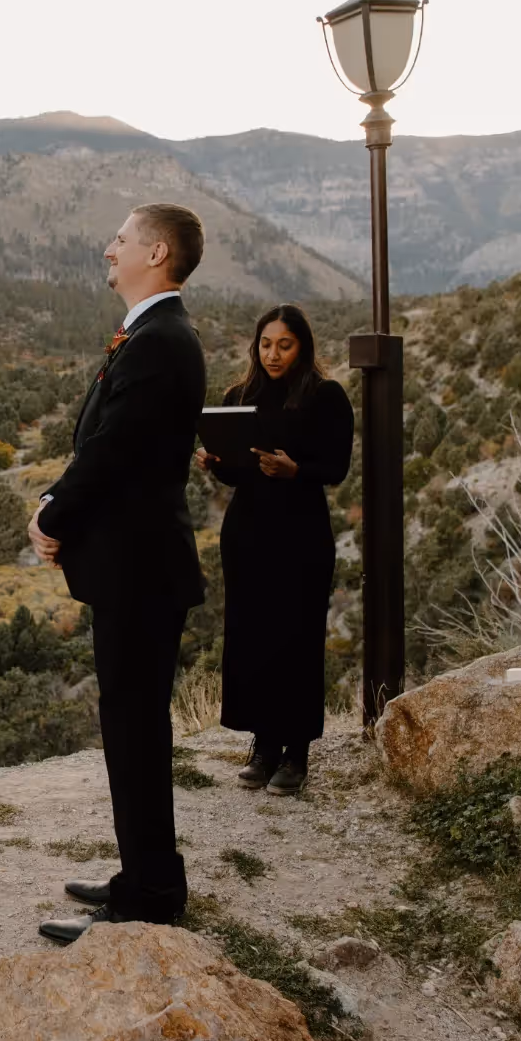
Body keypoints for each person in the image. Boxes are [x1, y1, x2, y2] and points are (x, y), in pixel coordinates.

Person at [27, 204, 208, 944]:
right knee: (131, 727)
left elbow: (112, 450)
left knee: (134, 730)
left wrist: (51, 516)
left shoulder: (162, 341)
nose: (109, 247)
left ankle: (149, 898)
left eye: (123, 238)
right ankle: (145, 876)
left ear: (156, 252)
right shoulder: (151, 335)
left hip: (139, 570)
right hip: (133, 569)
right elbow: (107, 444)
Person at [200, 304, 353, 796]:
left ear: (303, 347)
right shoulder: (238, 397)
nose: (273, 354)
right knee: (253, 637)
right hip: (248, 533)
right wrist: (215, 462)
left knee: (297, 638)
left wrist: (297, 470)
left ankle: (297, 753)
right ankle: (264, 747)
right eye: (266, 344)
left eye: (284, 345)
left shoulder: (326, 397)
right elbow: (236, 472)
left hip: (302, 533)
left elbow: (336, 467)